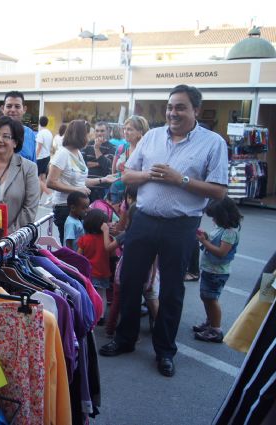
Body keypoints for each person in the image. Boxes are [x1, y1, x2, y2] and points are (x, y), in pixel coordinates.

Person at [98, 84, 229, 379]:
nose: (173, 112)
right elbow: (127, 174)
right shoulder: (153, 137)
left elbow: (219, 191)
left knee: (172, 290)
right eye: (170, 107)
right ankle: (125, 338)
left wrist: (179, 179)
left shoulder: (213, 143)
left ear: (196, 110)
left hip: (181, 226)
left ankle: (165, 351)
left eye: (181, 107)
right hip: (143, 220)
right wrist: (151, 175)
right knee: (130, 282)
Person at [46, 120, 116, 243]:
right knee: (70, 250)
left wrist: (103, 179)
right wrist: (77, 190)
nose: (89, 137)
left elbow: (81, 181)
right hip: (65, 208)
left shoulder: (77, 152)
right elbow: (50, 182)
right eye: (88, 134)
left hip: (77, 208)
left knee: (78, 248)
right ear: (80, 135)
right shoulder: (63, 153)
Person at [193, 197, 242, 343]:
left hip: (217, 272)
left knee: (211, 299)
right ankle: (210, 322)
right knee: (206, 297)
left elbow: (221, 252)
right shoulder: (221, 228)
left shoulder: (230, 232)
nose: (213, 219)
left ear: (223, 216)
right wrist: (206, 237)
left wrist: (204, 241)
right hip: (210, 270)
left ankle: (216, 329)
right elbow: (214, 242)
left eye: (215, 217)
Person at [77, 209, 114, 325]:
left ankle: (91, 313)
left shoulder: (84, 239)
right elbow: (113, 254)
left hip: (89, 272)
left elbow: (78, 256)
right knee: (102, 294)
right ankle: (101, 316)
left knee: (90, 293)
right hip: (103, 271)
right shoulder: (108, 240)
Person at [111, 115, 149, 200]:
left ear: (140, 132)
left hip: (137, 195)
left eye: (130, 129)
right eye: (125, 129)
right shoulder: (121, 148)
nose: (125, 132)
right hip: (117, 193)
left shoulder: (147, 150)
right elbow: (113, 172)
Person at [82, 121, 115, 202]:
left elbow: (107, 165)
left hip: (102, 188)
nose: (99, 133)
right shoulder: (88, 145)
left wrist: (97, 149)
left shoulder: (112, 147)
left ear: (107, 131)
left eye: (102, 131)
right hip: (87, 187)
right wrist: (99, 162)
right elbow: (81, 164)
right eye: (97, 131)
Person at [36, 116, 54, 205]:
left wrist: (34, 158)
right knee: (42, 178)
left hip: (40, 157)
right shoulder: (49, 133)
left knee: (37, 178)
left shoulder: (41, 133)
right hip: (47, 156)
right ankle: (39, 200)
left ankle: (49, 193)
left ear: (39, 122)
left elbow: (39, 147)